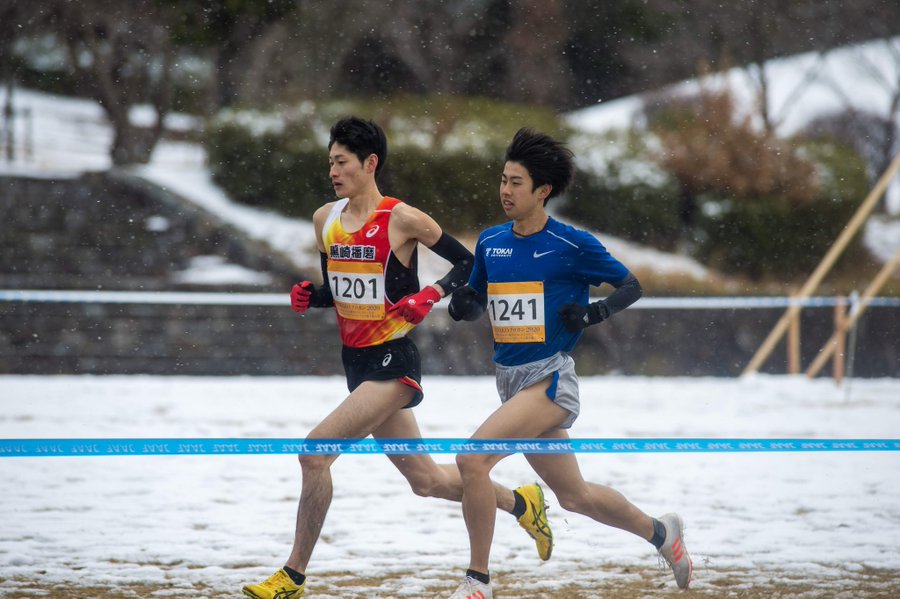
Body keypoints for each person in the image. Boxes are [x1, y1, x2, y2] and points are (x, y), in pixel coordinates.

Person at [242, 117, 553, 599]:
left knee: (314, 452)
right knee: (426, 481)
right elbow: (342, 292)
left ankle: (293, 577)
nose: (333, 171)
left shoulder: (402, 218)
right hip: (356, 364)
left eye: (341, 162)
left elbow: (469, 263)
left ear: (370, 164)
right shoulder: (324, 219)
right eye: (330, 162)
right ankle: (522, 504)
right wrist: (313, 297)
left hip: (394, 364)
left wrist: (430, 294)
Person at [444, 128, 692, 599]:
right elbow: (477, 298)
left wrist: (594, 312)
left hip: (550, 379)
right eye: (503, 180)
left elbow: (631, 285)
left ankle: (477, 583)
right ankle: (663, 534)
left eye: (516, 182)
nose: (505, 190)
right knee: (574, 497)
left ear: (543, 191)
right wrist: (463, 306)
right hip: (511, 382)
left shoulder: (572, 244)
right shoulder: (491, 241)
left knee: (471, 460)